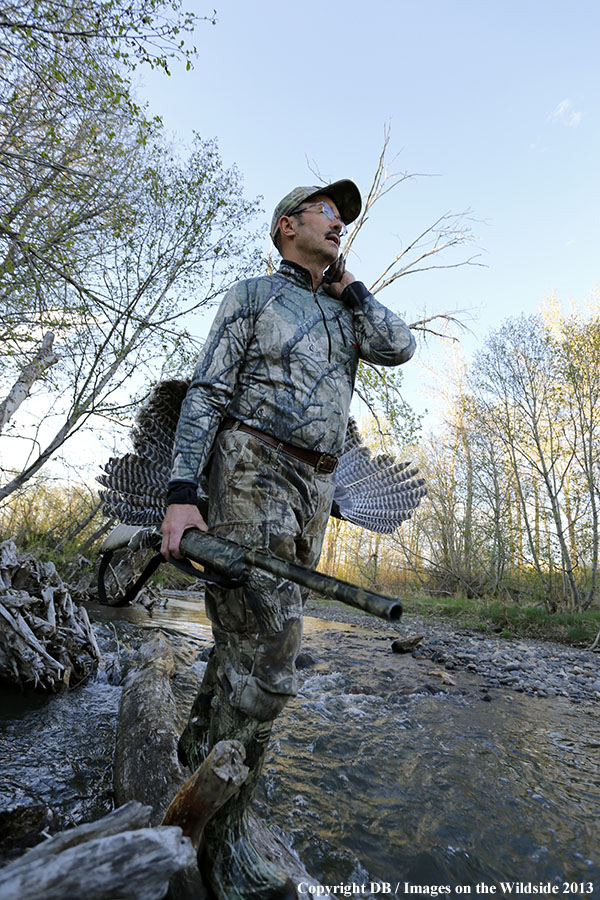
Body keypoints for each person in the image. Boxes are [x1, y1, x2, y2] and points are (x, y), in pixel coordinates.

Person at [160, 179, 416, 900]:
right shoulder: (251, 296)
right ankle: (227, 837)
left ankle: (195, 759)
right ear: (286, 225)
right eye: (327, 212)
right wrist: (183, 494)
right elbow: (207, 392)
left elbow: (400, 347)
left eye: (344, 218)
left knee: (242, 643)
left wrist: (354, 288)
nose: (339, 223)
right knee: (275, 653)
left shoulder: (344, 313)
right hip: (252, 469)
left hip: (317, 491)